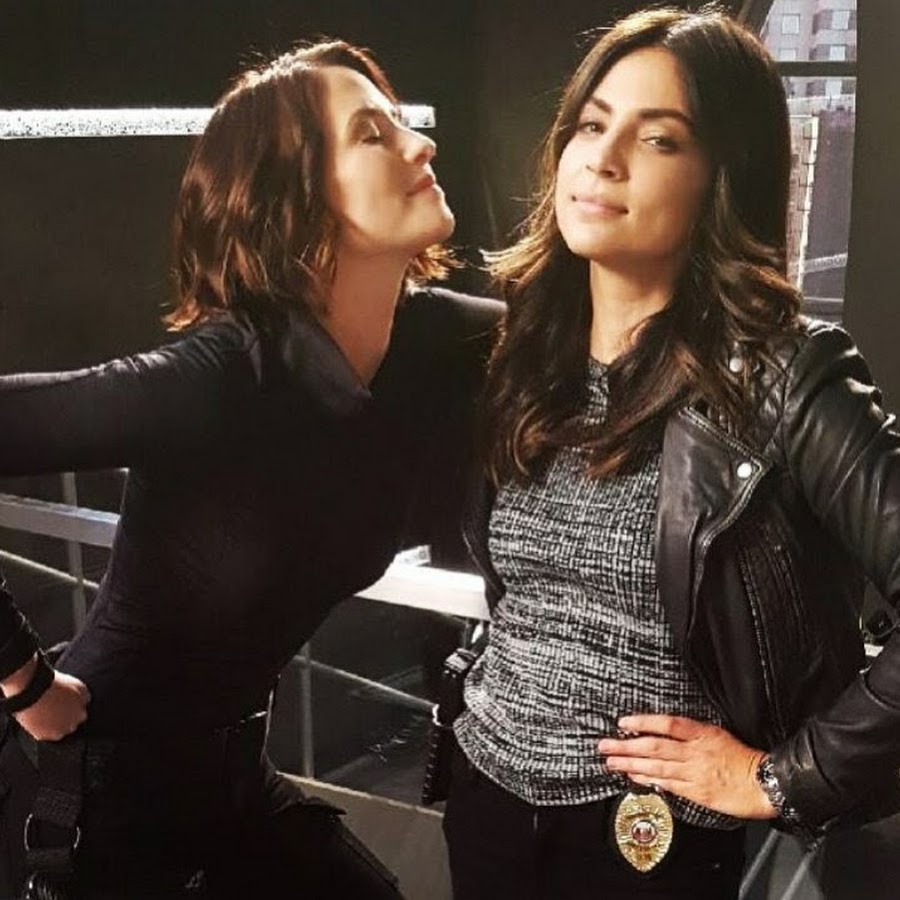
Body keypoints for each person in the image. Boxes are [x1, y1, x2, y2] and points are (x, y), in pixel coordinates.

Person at [0, 39, 501, 899]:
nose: (420, 144)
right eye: (371, 134)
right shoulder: (217, 377)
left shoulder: (429, 341)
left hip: (229, 783)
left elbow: (591, 323)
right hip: (91, 803)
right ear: (294, 195)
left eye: (401, 125)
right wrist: (23, 678)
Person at [442, 6, 900, 900]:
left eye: (658, 139)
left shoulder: (781, 375)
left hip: (646, 843)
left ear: (721, 177)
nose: (603, 159)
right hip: (483, 796)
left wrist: (781, 779)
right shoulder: (526, 355)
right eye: (591, 125)